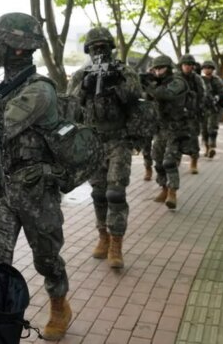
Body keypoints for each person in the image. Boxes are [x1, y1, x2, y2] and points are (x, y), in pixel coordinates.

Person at [0, 12, 72, 341]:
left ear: (18, 49)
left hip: (36, 189)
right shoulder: (2, 86)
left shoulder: (39, 91)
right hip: (3, 189)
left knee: (47, 258)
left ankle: (59, 303)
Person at [67, 27, 141, 269]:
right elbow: (70, 106)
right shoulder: (81, 75)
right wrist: (86, 88)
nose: (99, 51)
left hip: (118, 139)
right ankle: (103, 236)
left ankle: (116, 244)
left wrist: (116, 86)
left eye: (103, 46)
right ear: (88, 50)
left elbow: (135, 94)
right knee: (99, 193)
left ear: (110, 48)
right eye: (94, 47)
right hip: (94, 141)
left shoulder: (124, 71)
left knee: (116, 194)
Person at [147, 55, 189, 210]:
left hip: (176, 129)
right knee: (157, 160)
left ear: (169, 68)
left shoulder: (178, 82)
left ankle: (172, 192)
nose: (158, 71)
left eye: (161, 68)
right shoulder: (157, 84)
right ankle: (163, 188)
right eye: (156, 69)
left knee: (169, 161)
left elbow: (167, 95)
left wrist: (150, 87)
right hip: (160, 129)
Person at [178, 54, 206, 174]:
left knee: (193, 138)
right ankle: (175, 161)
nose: (188, 67)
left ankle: (194, 162)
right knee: (176, 138)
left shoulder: (197, 79)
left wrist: (198, 109)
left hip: (192, 114)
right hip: (178, 114)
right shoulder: (176, 78)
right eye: (185, 65)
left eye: (190, 65)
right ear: (181, 66)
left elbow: (202, 95)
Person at [200, 60, 223, 158]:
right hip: (202, 108)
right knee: (204, 130)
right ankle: (207, 148)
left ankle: (212, 147)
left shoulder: (217, 80)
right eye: (205, 67)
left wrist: (217, 97)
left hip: (213, 108)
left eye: (209, 68)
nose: (207, 69)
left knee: (212, 128)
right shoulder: (200, 79)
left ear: (212, 69)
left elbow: (221, 92)